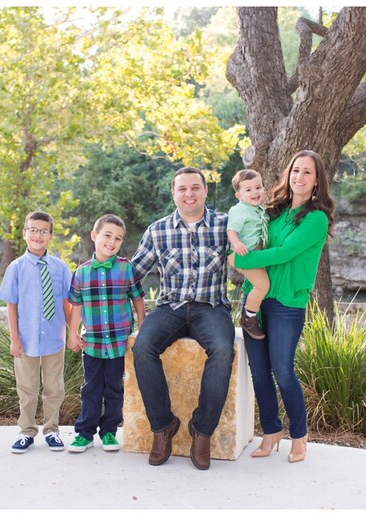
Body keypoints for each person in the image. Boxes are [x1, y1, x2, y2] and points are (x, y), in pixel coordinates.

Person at [230, 150, 334, 463]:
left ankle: (298, 437)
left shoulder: (316, 219)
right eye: (296, 171)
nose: (299, 177)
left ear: (317, 182)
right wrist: (233, 244)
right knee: (260, 374)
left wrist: (240, 260)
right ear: (288, 175)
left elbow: (285, 253)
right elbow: (246, 230)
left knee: (284, 372)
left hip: (287, 303)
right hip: (256, 300)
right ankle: (271, 432)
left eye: (307, 173)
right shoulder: (272, 211)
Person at [130, 166, 235, 470]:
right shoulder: (158, 230)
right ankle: (163, 426)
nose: (188, 194)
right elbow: (133, 274)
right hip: (169, 307)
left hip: (211, 306)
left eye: (194, 188)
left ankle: (201, 431)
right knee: (143, 347)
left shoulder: (225, 226)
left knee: (222, 350)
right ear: (173, 193)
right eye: (182, 189)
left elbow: (249, 260)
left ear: (205, 191)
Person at [66, 214, 146, 453]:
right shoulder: (81, 272)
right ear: (94, 235)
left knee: (114, 387)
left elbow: (138, 298)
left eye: (118, 238)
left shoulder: (125, 268)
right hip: (91, 342)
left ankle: (110, 431)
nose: (112, 242)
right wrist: (72, 333)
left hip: (119, 342)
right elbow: (76, 306)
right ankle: (84, 433)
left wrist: (142, 324)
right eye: (107, 235)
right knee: (91, 387)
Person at [0, 210, 73, 454]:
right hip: (26, 340)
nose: (37, 235)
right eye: (33, 230)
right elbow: (12, 305)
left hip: (54, 339)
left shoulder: (61, 268)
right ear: (24, 233)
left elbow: (66, 304)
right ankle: (26, 431)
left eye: (43, 231)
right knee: (27, 389)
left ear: (50, 236)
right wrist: (14, 339)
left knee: (54, 388)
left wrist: (73, 332)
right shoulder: (16, 268)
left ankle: (52, 431)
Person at [226, 169, 270, 340]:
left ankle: (253, 311)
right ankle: (249, 317)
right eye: (248, 190)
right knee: (262, 285)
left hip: (254, 254)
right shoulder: (240, 210)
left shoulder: (258, 210)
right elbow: (232, 230)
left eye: (258, 187)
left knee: (260, 283)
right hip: (242, 254)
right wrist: (236, 243)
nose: (255, 192)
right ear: (239, 195)